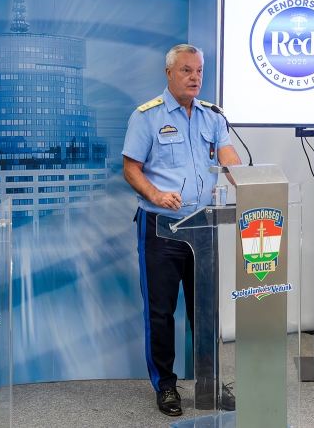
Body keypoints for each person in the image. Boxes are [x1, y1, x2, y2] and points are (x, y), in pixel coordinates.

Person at [122, 44, 242, 416]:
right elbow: (130, 168)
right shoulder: (147, 116)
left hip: (204, 225)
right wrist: (156, 194)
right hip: (161, 228)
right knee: (161, 313)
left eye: (199, 71)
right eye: (187, 70)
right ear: (170, 73)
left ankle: (209, 382)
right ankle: (166, 387)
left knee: (205, 311)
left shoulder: (212, 116)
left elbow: (229, 159)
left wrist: (251, 183)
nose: (195, 78)